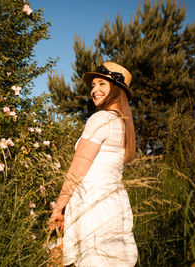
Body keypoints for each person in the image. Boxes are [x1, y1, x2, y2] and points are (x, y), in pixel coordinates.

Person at [49, 62, 138, 266]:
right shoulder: (124, 124)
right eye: (93, 85)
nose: (94, 90)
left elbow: (77, 169)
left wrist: (58, 208)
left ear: (116, 89)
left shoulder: (100, 120)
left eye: (102, 84)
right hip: (115, 202)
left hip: (92, 202)